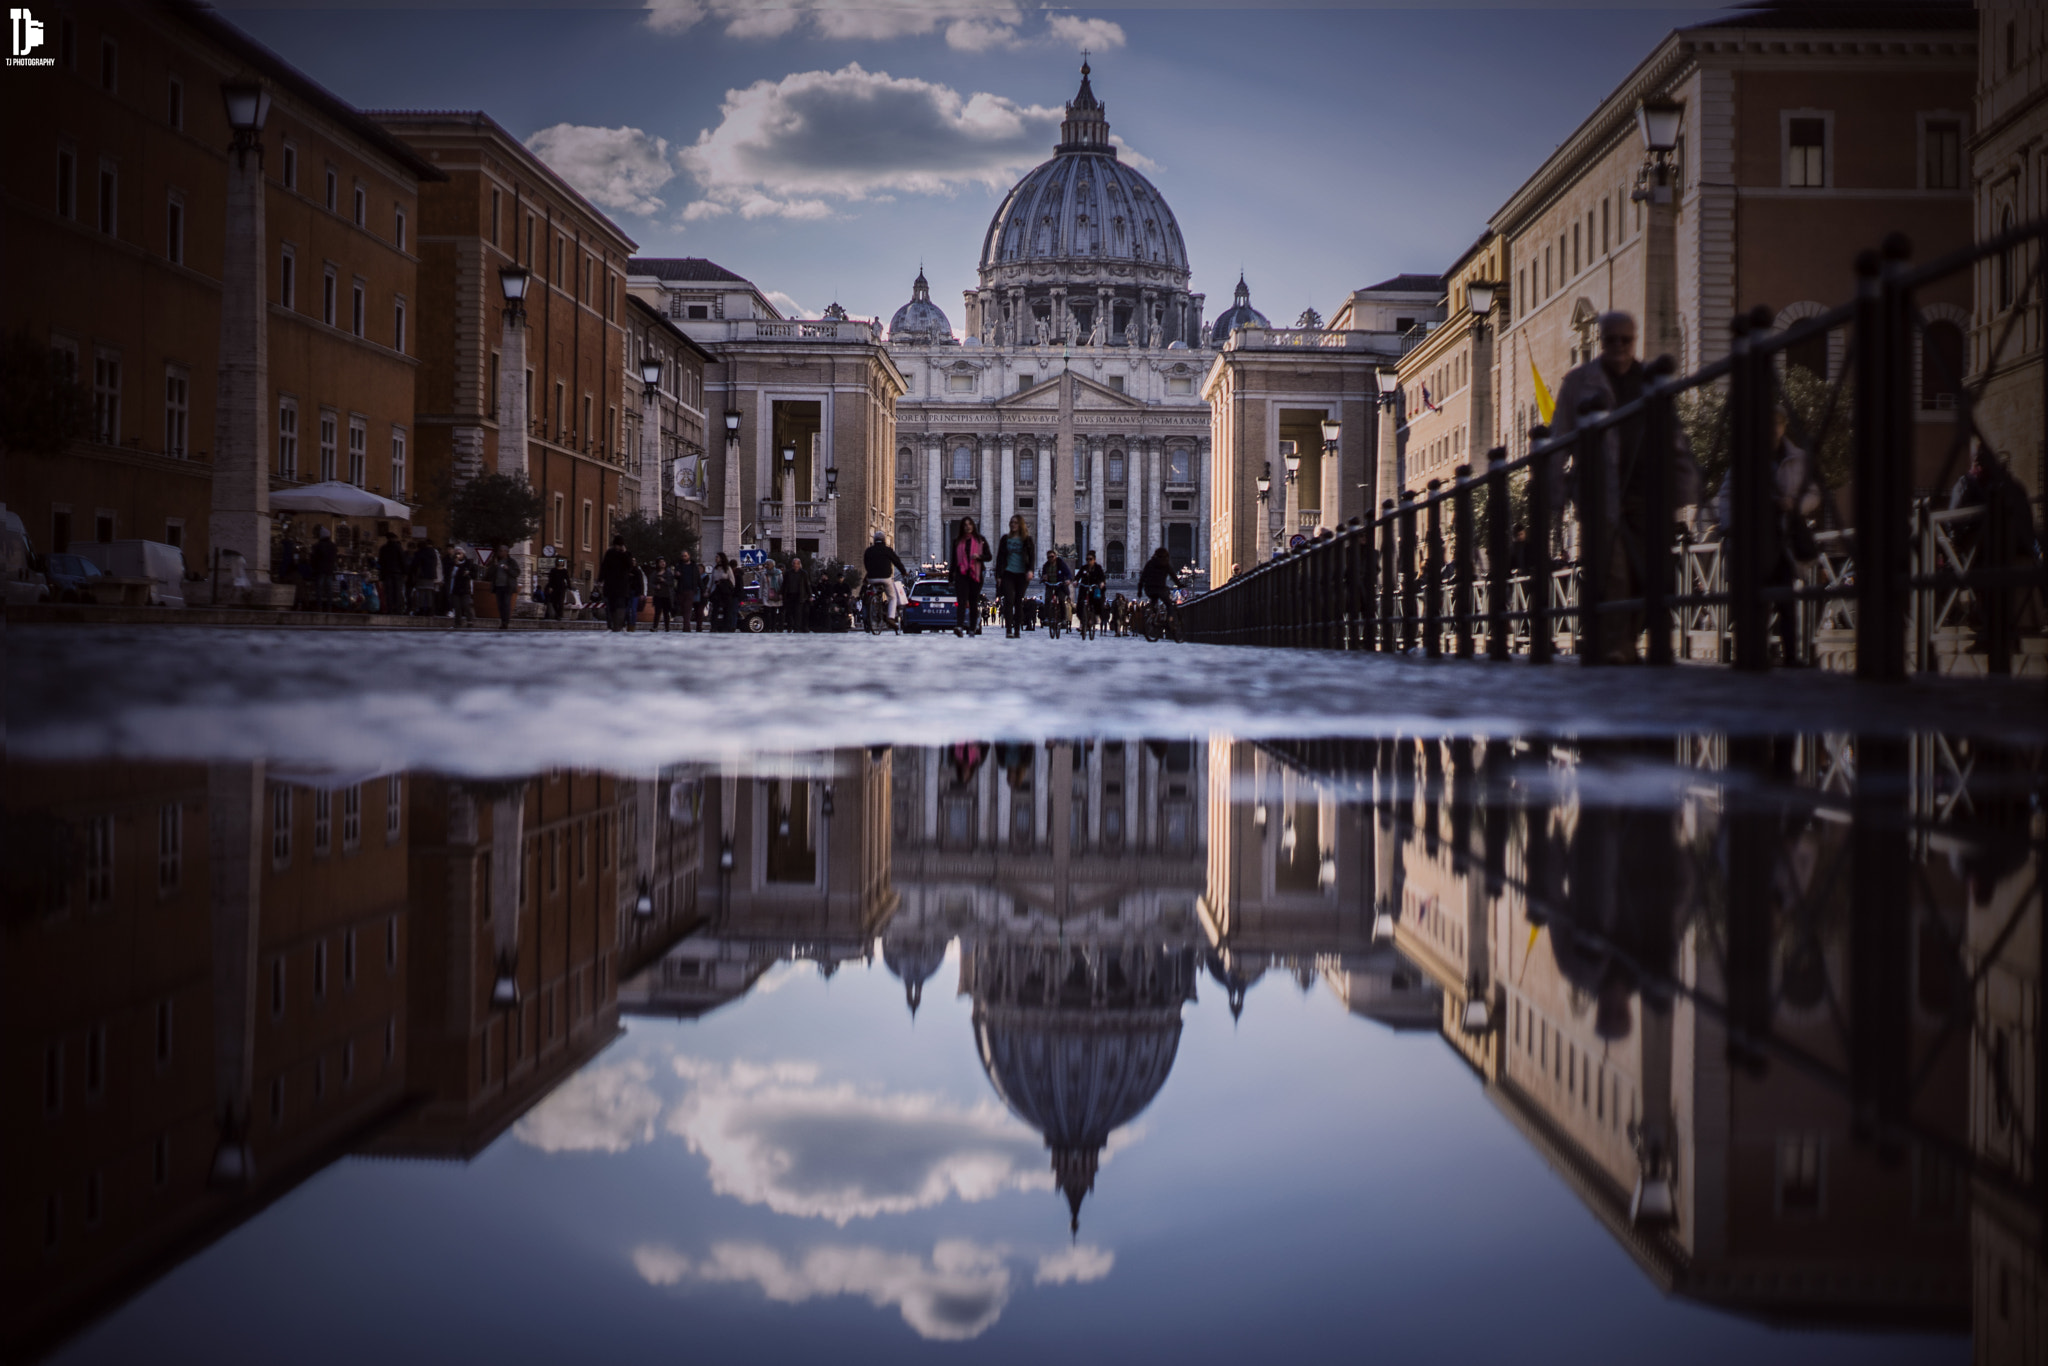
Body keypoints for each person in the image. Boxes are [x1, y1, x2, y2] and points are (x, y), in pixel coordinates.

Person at [1549, 310, 1700, 663]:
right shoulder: (1578, 382)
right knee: (1613, 574)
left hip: (1648, 494)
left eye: (1625, 339)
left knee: (1647, 575)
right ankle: (1616, 650)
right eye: (1610, 340)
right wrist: (1553, 495)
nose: (1618, 346)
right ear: (1600, 342)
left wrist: (1688, 486)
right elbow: (1558, 442)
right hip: (1600, 493)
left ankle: (1625, 643)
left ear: (1634, 340)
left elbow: (1674, 437)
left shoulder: (1650, 379)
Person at [1714, 408, 1821, 663]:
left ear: (1784, 427)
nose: (1773, 429)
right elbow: (1726, 496)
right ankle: (1753, 656)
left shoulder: (1798, 458)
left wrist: (1794, 505)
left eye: (1778, 424)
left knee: (1786, 600)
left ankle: (1792, 657)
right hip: (1753, 539)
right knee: (1755, 602)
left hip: (1782, 538)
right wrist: (1732, 526)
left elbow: (1815, 494)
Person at [992, 515, 1035, 637]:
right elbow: (999, 558)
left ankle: (1017, 630)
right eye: (1011, 522)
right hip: (1008, 573)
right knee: (1009, 601)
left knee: (1018, 602)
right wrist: (998, 576)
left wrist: (1031, 570)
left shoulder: (1027, 540)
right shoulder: (1005, 539)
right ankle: (1009, 630)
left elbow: (1032, 557)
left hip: (1022, 574)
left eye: (1015, 522)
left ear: (1020, 524)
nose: (1013, 524)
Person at [949, 516, 990, 636]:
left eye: (970, 524)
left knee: (973, 602)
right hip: (961, 573)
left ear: (973, 526)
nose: (968, 527)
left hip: (975, 574)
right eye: (965, 525)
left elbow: (989, 556)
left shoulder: (980, 540)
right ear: (962, 527)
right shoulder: (957, 541)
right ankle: (959, 626)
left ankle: (972, 628)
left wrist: (979, 557)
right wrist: (951, 577)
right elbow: (954, 560)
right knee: (961, 601)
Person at [862, 532, 910, 623]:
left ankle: (873, 603)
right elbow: (897, 562)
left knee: (871, 590)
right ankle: (891, 617)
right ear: (884, 540)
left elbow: (866, 563)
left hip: (871, 577)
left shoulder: (868, 550)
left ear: (874, 540)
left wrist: (869, 573)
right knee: (892, 597)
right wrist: (903, 572)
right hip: (885, 577)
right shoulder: (888, 550)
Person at [598, 535, 637, 633]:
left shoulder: (627, 554)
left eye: (619, 545)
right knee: (611, 606)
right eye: (616, 545)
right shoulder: (609, 553)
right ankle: (612, 625)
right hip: (610, 584)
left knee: (620, 606)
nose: (617, 547)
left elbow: (630, 566)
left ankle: (618, 626)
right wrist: (600, 579)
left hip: (622, 585)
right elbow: (604, 567)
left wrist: (624, 553)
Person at [1040, 547, 1074, 630]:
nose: (1050, 559)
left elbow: (1068, 573)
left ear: (1055, 556)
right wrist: (1043, 579)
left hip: (1060, 585)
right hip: (1050, 585)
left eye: (1052, 556)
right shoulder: (1046, 565)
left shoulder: (1061, 564)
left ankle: (1063, 619)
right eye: (1049, 557)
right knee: (1047, 599)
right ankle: (1047, 617)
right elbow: (1043, 575)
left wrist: (1069, 580)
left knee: (1061, 600)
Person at [487, 544, 519, 629]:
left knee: (506, 604)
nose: (499, 553)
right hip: (498, 586)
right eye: (499, 551)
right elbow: (489, 574)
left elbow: (516, 573)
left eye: (501, 551)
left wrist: (508, 569)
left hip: (507, 586)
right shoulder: (496, 561)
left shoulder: (511, 562)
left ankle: (506, 622)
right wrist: (494, 565)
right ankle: (502, 621)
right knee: (500, 605)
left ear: (506, 552)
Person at [308, 526, 339, 611]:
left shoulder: (317, 546)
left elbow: (313, 559)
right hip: (329, 570)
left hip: (320, 570)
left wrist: (313, 568)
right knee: (329, 589)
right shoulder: (333, 546)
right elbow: (335, 558)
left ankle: (319, 606)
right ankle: (329, 606)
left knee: (319, 589)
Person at [377, 532, 408, 617]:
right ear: (394, 538)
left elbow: (380, 562)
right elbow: (403, 561)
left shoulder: (383, 548)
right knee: (397, 592)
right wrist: (405, 572)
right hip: (397, 573)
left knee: (389, 592)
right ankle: (397, 609)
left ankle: (389, 609)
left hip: (387, 573)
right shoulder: (398, 548)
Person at [1077, 550, 1108, 634]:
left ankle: (1095, 616)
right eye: (1087, 559)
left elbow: (1102, 577)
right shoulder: (1084, 568)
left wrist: (1101, 583)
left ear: (1094, 560)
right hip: (1084, 587)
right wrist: (1075, 581)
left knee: (1097, 601)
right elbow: (1078, 576)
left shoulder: (1098, 568)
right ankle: (1082, 621)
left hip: (1094, 587)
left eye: (1090, 559)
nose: (1089, 561)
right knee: (1080, 604)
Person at [411, 539, 443, 616]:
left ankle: (421, 609)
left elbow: (415, 565)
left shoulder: (420, 553)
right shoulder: (433, 553)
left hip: (422, 575)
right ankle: (430, 609)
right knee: (429, 592)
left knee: (421, 592)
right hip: (431, 576)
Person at [708, 553, 738, 631]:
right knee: (715, 609)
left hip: (725, 592)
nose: (716, 559)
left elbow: (732, 581)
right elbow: (711, 580)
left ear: (721, 558)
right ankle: (714, 626)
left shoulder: (727, 568)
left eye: (717, 557)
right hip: (716, 591)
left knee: (727, 610)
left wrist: (726, 586)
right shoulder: (715, 568)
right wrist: (708, 590)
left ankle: (726, 627)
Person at [783, 554, 812, 633]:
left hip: (799, 595)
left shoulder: (803, 573)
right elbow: (784, 584)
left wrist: (810, 595)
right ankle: (790, 626)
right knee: (790, 612)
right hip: (790, 595)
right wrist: (782, 594)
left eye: (796, 564)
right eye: (793, 564)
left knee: (798, 612)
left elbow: (807, 584)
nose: (795, 566)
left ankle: (797, 628)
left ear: (799, 565)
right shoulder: (788, 573)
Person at [674, 550, 702, 632]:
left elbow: (698, 578)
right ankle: (686, 626)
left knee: (687, 608)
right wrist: (677, 575)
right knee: (683, 609)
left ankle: (686, 627)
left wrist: (703, 589)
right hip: (681, 590)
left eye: (685, 556)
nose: (684, 557)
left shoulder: (694, 566)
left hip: (690, 590)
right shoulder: (679, 566)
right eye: (682, 556)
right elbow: (675, 577)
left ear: (689, 556)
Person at [448, 549, 476, 626]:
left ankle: (469, 621)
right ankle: (458, 622)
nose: (458, 555)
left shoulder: (468, 563)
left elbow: (473, 574)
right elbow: (451, 574)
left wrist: (468, 573)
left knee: (466, 605)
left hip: (465, 588)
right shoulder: (453, 563)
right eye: (457, 553)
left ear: (464, 554)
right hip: (455, 588)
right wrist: (456, 565)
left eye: (460, 553)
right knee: (457, 607)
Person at [651, 557, 675, 632]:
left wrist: (664, 580)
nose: (663, 563)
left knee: (666, 612)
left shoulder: (668, 573)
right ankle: (655, 627)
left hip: (667, 595)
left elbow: (671, 583)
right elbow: (651, 583)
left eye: (664, 561)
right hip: (658, 595)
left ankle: (667, 627)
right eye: (661, 562)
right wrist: (656, 586)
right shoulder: (655, 573)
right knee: (657, 612)